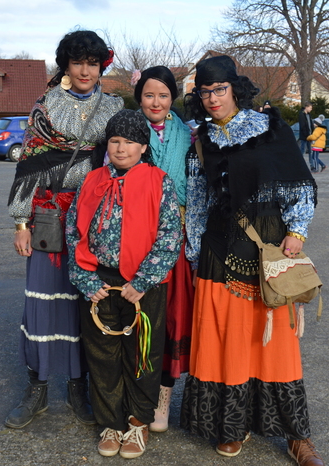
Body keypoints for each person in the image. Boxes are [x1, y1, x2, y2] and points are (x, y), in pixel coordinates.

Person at [181, 55, 324, 466]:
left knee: (277, 343)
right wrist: (194, 257)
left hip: (267, 244)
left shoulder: (269, 128)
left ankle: (297, 437)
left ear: (235, 89)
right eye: (205, 92)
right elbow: (197, 201)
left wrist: (297, 231)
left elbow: (300, 185)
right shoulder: (199, 140)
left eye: (219, 90)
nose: (212, 98)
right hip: (217, 250)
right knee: (226, 338)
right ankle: (233, 424)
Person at [4, 30, 123, 430]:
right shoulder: (46, 107)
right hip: (49, 218)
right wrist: (21, 223)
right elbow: (29, 166)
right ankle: (37, 388)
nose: (86, 70)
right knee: (42, 302)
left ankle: (78, 387)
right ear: (66, 65)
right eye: (78, 62)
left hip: (96, 220)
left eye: (93, 63)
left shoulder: (114, 108)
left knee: (84, 303)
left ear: (101, 66)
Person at [65, 109, 182, 458]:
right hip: (99, 283)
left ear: (143, 147)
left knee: (142, 354)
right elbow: (73, 230)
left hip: (142, 286)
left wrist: (143, 281)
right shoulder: (92, 181)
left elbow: (170, 236)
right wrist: (86, 280)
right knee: (102, 354)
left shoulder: (158, 181)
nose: (120, 148)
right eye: (115, 141)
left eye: (129, 142)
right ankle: (111, 422)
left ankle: (137, 421)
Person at [133, 66, 194, 433]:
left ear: (173, 98)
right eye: (149, 95)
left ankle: (163, 397)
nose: (156, 102)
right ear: (139, 97)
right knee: (140, 314)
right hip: (137, 236)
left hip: (177, 236)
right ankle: (135, 393)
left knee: (171, 316)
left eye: (163, 95)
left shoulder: (188, 135)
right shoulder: (128, 130)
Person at [297, 102, 315, 171]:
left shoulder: (309, 115)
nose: (311, 109)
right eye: (310, 108)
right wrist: (306, 135)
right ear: (306, 107)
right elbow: (303, 126)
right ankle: (301, 165)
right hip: (304, 136)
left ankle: (312, 165)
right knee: (303, 150)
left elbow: (311, 125)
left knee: (310, 151)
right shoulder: (301, 115)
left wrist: (313, 133)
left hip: (310, 136)